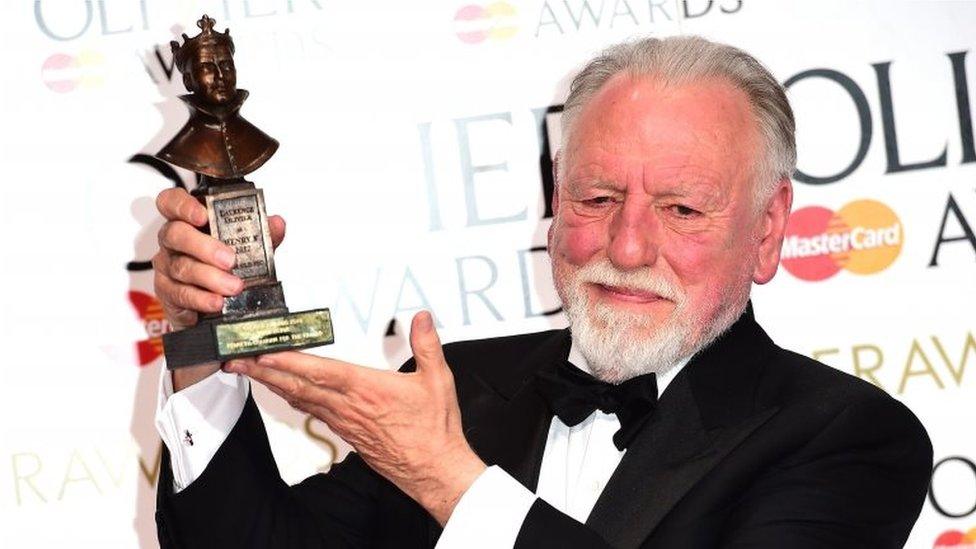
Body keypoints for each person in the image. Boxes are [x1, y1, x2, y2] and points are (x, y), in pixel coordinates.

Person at [152, 36, 932, 548]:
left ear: (766, 232)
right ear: (554, 201)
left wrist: (453, 484)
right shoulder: (458, 391)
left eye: (683, 209)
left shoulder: (848, 437)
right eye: (595, 197)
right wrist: (198, 343)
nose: (627, 246)